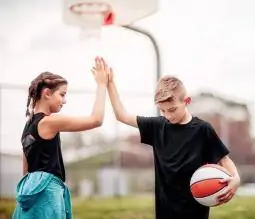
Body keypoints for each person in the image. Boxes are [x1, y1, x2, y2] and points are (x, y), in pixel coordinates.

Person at [106, 68, 241, 219]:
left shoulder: (203, 130)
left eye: (172, 109)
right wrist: (109, 83)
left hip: (195, 214)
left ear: (187, 101)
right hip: (165, 214)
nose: (168, 115)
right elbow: (121, 115)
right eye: (162, 111)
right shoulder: (157, 126)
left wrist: (236, 178)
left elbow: (224, 160)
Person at [12, 57, 110, 219]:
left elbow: (26, 169)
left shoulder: (28, 126)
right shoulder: (49, 121)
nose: (65, 101)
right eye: (62, 94)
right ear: (47, 94)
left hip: (29, 190)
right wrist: (101, 85)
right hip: (47, 192)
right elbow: (96, 120)